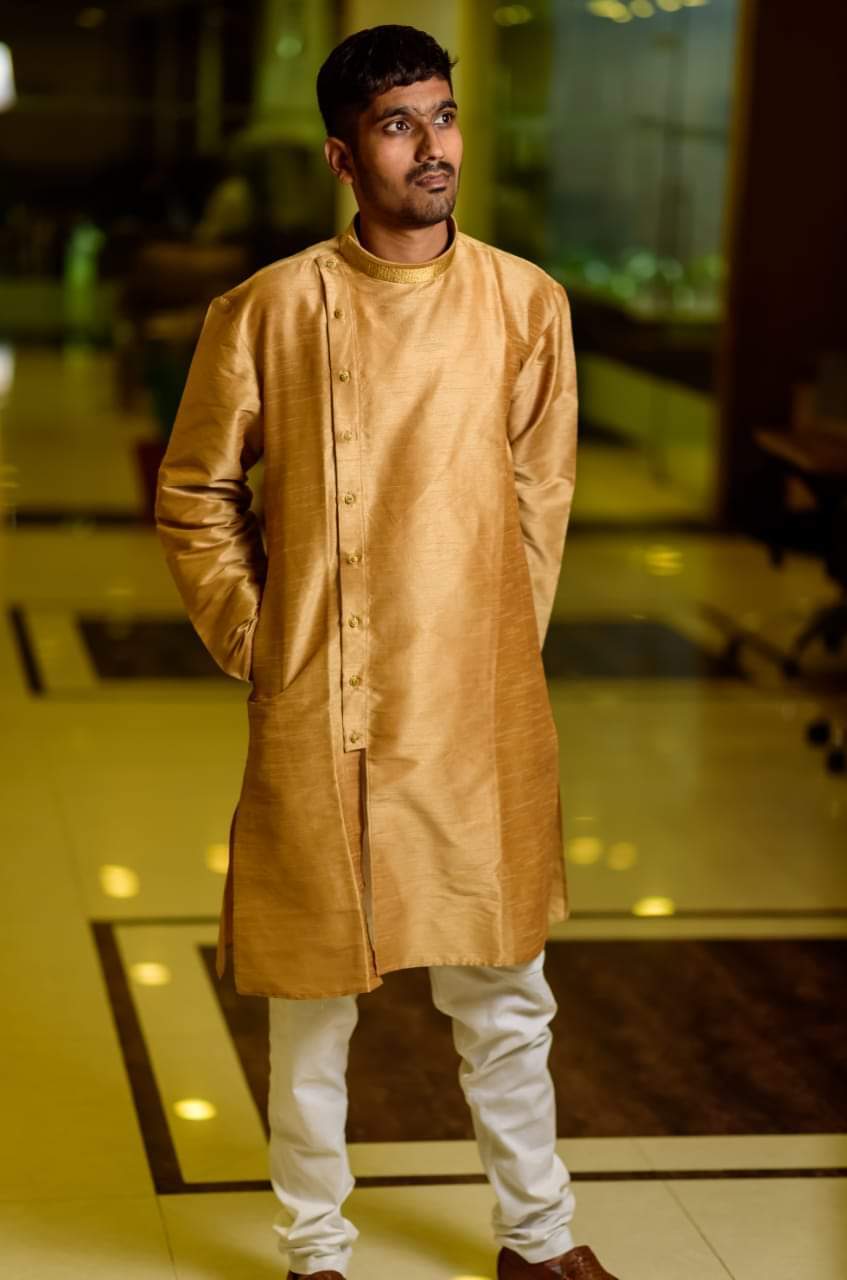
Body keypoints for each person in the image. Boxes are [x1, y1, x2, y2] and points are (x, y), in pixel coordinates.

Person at [156, 22, 619, 1280]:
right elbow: (194, 492)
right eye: (398, 125)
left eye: (442, 116)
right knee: (312, 1005)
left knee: (504, 993)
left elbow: (539, 501)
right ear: (342, 156)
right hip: (324, 699)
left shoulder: (525, 303)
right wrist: (263, 636)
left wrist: (494, 647)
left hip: (475, 703)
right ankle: (315, 1249)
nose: (432, 147)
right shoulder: (270, 308)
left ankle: (538, 1235)